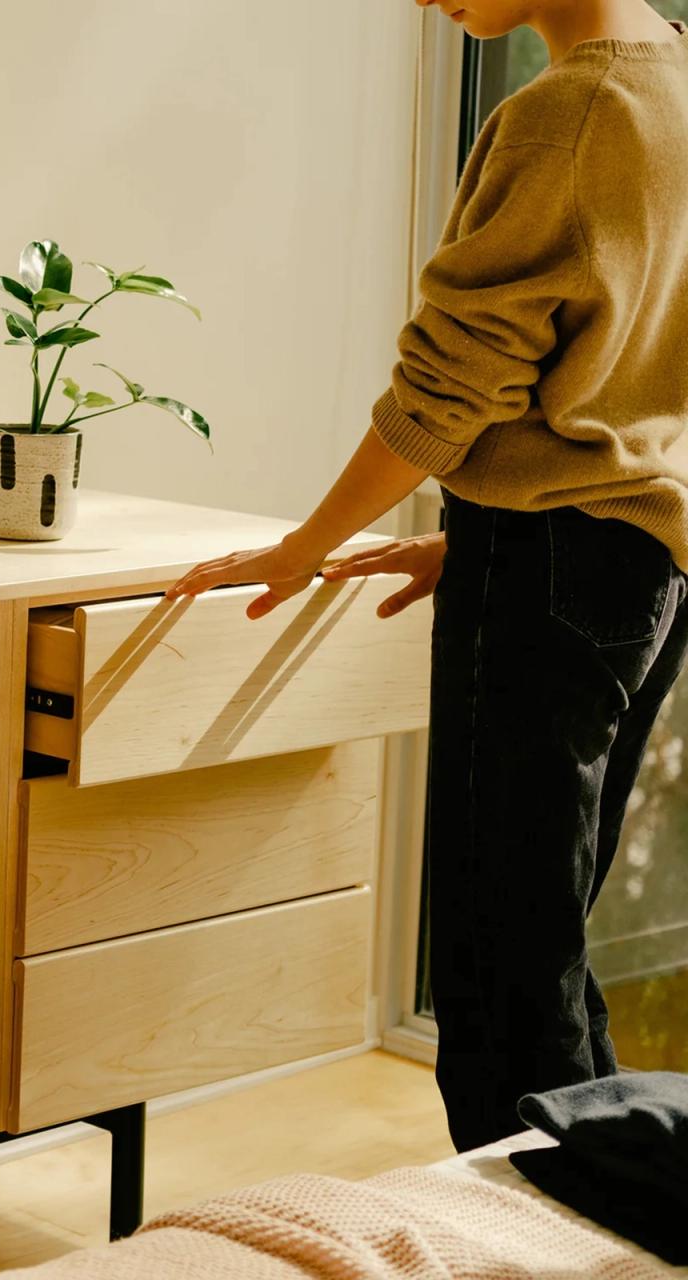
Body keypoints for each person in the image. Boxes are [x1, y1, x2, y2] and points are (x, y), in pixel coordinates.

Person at [164, 0, 688, 1153]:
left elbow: (454, 383)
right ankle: (613, 1221)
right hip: (639, 560)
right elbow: (629, 363)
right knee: (541, 941)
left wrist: (302, 547)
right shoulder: (672, 81)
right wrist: (475, 535)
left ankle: (530, 1241)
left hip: (555, 560)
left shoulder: (572, 108)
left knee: (499, 964)